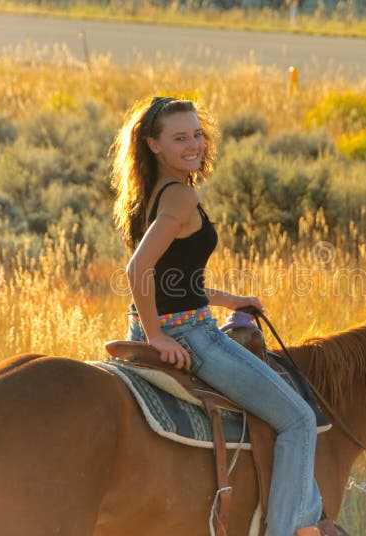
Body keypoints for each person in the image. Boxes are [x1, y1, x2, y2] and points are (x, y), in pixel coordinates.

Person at [110, 96, 333, 536]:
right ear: (154, 144)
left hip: (180, 322)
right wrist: (157, 336)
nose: (193, 145)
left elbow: (175, 278)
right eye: (179, 138)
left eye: (197, 134)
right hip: (192, 338)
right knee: (299, 419)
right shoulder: (181, 197)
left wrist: (231, 301)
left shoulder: (149, 193)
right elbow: (138, 270)